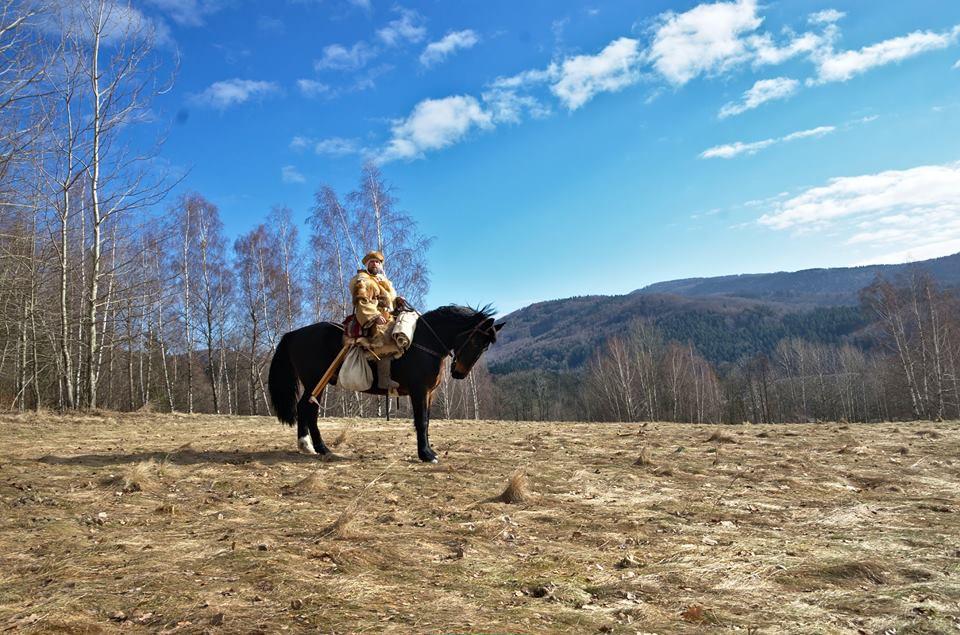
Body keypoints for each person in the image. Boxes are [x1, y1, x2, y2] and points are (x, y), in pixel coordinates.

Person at [348, 251, 405, 390]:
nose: (375, 264)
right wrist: (373, 316)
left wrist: (398, 301)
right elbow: (361, 301)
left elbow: (389, 301)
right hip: (372, 317)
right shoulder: (363, 280)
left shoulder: (383, 281)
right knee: (386, 339)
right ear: (367, 264)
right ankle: (384, 380)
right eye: (372, 261)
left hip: (388, 316)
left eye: (378, 262)